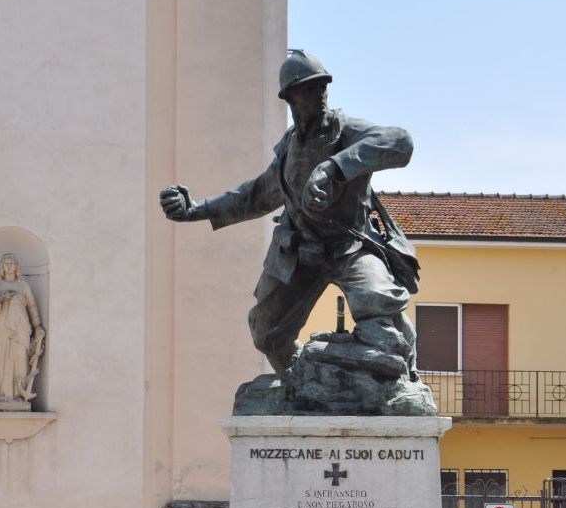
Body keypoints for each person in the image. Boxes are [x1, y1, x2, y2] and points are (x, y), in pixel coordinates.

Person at [159, 51, 420, 378]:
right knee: (267, 333)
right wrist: (195, 209)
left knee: (379, 310)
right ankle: (310, 382)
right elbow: (253, 196)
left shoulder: (346, 131)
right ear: (291, 98)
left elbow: (400, 141)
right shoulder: (288, 152)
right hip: (300, 253)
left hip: (350, 247)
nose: (319, 95)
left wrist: (335, 167)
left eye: (322, 87)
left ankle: (387, 368)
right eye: (309, 89)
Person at [0, 253, 44, 408]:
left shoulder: (23, 286)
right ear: (2, 266)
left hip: (19, 327)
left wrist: (37, 326)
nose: (9, 265)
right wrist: (0, 300)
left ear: (17, 266)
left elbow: (32, 307)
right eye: (6, 263)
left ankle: (17, 395)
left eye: (12, 263)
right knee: (1, 356)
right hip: (0, 327)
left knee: (18, 357)